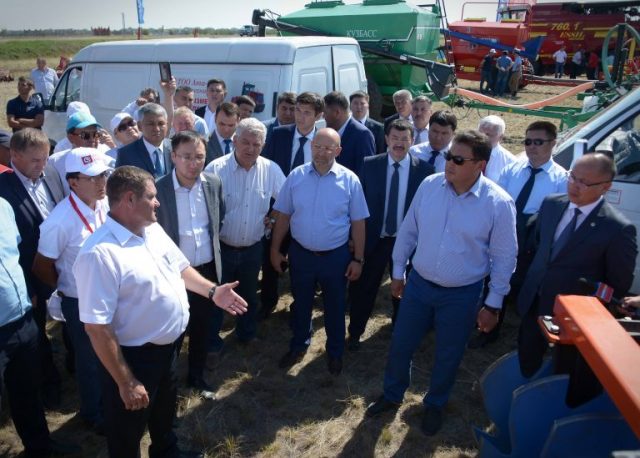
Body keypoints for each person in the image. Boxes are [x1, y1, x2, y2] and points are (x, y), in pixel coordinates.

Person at [73, 166, 247, 458]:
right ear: (129, 199)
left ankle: (166, 451)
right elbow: (97, 328)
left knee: (164, 410)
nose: (158, 202)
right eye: (151, 197)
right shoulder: (99, 254)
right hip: (133, 358)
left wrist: (212, 291)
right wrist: (126, 381)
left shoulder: (151, 229)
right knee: (127, 429)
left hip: (168, 348)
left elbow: (180, 267)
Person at [366, 130, 517, 436]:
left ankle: (435, 404)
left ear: (480, 165)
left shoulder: (498, 203)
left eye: (458, 160)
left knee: (448, 353)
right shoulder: (430, 186)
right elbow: (409, 230)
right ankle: (392, 394)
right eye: (449, 156)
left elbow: (504, 258)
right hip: (418, 286)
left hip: (462, 295)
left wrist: (493, 304)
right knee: (401, 343)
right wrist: (398, 272)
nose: (449, 163)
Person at [517, 153, 636, 379]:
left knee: (562, 373)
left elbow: (618, 284)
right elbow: (538, 248)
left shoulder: (617, 228)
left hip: (572, 318)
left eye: (585, 182)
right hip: (534, 301)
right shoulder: (551, 204)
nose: (575, 185)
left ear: (606, 187)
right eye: (573, 177)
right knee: (527, 358)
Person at [270, 128, 369, 375]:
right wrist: (275, 249)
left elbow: (358, 222)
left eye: (328, 148)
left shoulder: (350, 180)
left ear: (338, 151)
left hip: (335, 257)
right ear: (311, 146)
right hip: (301, 255)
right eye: (317, 147)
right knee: (301, 303)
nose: (321, 153)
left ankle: (335, 352)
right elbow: (284, 216)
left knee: (335, 306)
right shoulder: (296, 176)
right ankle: (299, 344)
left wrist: (358, 259)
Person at [468, 120, 567, 349]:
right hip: (504, 231)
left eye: (538, 142)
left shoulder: (561, 179)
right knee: (495, 280)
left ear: (553, 143)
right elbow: (495, 202)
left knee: (525, 287)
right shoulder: (512, 170)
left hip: (534, 240)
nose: (531, 147)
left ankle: (528, 336)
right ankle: (487, 329)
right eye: (528, 141)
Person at [32, 148, 110, 434]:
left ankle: (108, 400)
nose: (101, 182)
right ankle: (93, 413)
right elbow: (41, 266)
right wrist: (66, 287)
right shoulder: (59, 220)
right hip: (80, 301)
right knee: (89, 359)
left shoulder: (104, 203)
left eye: (103, 174)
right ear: (73, 182)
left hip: (109, 295)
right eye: (92, 177)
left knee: (110, 352)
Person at [0, 197, 81, 457]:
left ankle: (40, 448)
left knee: (27, 390)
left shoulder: (4, 206)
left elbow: (17, 255)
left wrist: (28, 289)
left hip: (21, 318)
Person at [347, 119, 434, 350]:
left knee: (404, 292)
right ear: (386, 139)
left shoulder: (424, 171)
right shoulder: (369, 165)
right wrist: (353, 238)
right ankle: (355, 333)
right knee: (364, 289)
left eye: (404, 139)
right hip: (374, 240)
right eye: (394, 138)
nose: (399, 143)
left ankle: (400, 332)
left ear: (412, 141)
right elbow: (356, 205)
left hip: (407, 243)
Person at [0, 128, 67, 409]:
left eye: (45, 158)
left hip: (62, 263)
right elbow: (11, 249)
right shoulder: (4, 189)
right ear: (14, 156)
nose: (42, 165)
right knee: (37, 333)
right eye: (35, 160)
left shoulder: (50, 173)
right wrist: (28, 288)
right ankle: (48, 383)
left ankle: (72, 366)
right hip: (31, 273)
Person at [155, 131, 224, 398]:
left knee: (202, 328)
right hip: (172, 274)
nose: (193, 163)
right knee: (172, 331)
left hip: (205, 272)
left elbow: (218, 219)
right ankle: (167, 386)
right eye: (186, 157)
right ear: (173, 156)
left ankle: (196, 376)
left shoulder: (213, 183)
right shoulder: (158, 189)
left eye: (199, 157)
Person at [205, 118, 285, 349]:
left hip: (252, 248)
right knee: (216, 297)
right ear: (235, 141)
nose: (250, 148)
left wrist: (273, 218)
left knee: (249, 295)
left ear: (263, 145)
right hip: (221, 248)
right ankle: (212, 344)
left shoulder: (271, 170)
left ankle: (246, 335)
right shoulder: (215, 169)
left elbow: (287, 201)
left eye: (256, 144)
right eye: (246, 142)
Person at [260, 91, 324, 319]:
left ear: (318, 116)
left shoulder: (323, 141)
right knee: (270, 258)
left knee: (302, 262)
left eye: (307, 112)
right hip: (277, 209)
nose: (300, 116)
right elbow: (266, 168)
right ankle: (267, 302)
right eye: (298, 110)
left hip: (307, 213)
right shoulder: (279, 134)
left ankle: (300, 306)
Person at [48, 112, 116, 194]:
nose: (92, 139)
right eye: (85, 135)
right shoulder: (55, 162)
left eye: (95, 134)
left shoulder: (109, 163)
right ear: (71, 138)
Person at [116, 103, 173, 178]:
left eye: (161, 123)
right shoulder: (126, 154)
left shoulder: (175, 147)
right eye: (151, 124)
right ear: (139, 126)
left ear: (167, 125)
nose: (157, 129)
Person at [323, 91, 375, 173]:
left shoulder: (362, 135)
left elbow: (366, 172)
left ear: (337, 113)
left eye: (325, 113)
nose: (323, 116)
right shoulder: (331, 133)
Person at [477, 115, 517, 182]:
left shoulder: (510, 163)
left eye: (488, 135)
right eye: (480, 133)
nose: (482, 138)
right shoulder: (464, 154)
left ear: (500, 137)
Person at [350, 90, 385, 155]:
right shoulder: (343, 125)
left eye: (362, 103)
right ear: (350, 106)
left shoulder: (378, 128)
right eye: (355, 103)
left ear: (368, 106)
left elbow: (381, 153)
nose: (359, 107)